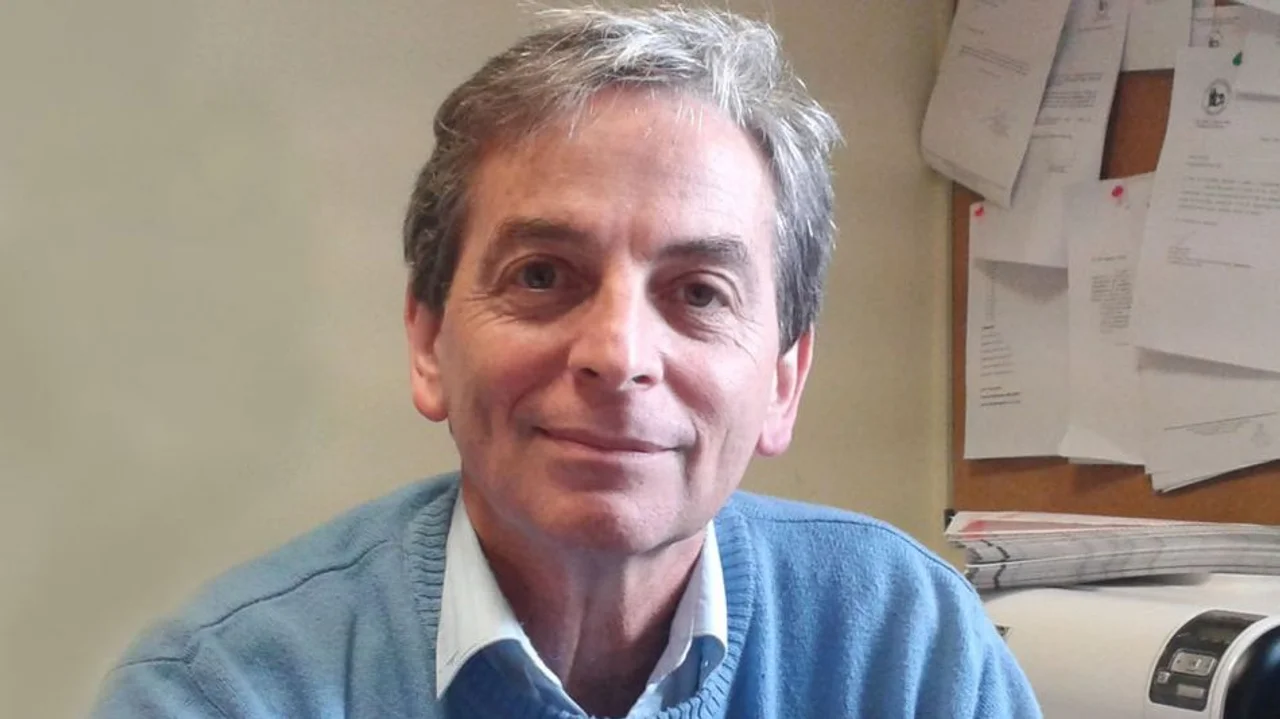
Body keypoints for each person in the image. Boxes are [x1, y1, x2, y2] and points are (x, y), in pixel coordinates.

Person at [92, 5, 1041, 718]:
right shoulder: (223, 690)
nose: (618, 355)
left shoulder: (906, 647)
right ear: (427, 341)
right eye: (542, 275)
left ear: (784, 381)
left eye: (700, 293)